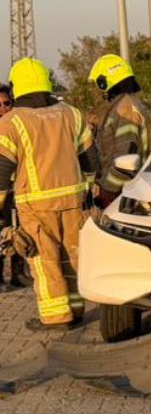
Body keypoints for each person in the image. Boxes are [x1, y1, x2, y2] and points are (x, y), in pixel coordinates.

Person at [0, 58, 98, 330]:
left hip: (35, 205)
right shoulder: (72, 114)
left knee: (45, 261)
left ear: (17, 87)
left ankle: (56, 317)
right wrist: (91, 190)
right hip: (74, 201)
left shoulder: (11, 122)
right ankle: (76, 310)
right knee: (71, 257)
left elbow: (2, 172)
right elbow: (90, 158)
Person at [87, 54, 149, 209]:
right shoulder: (121, 106)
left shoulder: (125, 110)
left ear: (104, 82)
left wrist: (108, 189)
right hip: (122, 189)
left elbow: (126, 156)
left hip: (123, 192)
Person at [0, 85, 26, 288]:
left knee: (19, 229)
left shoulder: (19, 126)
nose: (2, 108)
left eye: (6, 103)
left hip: (18, 187)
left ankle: (18, 273)